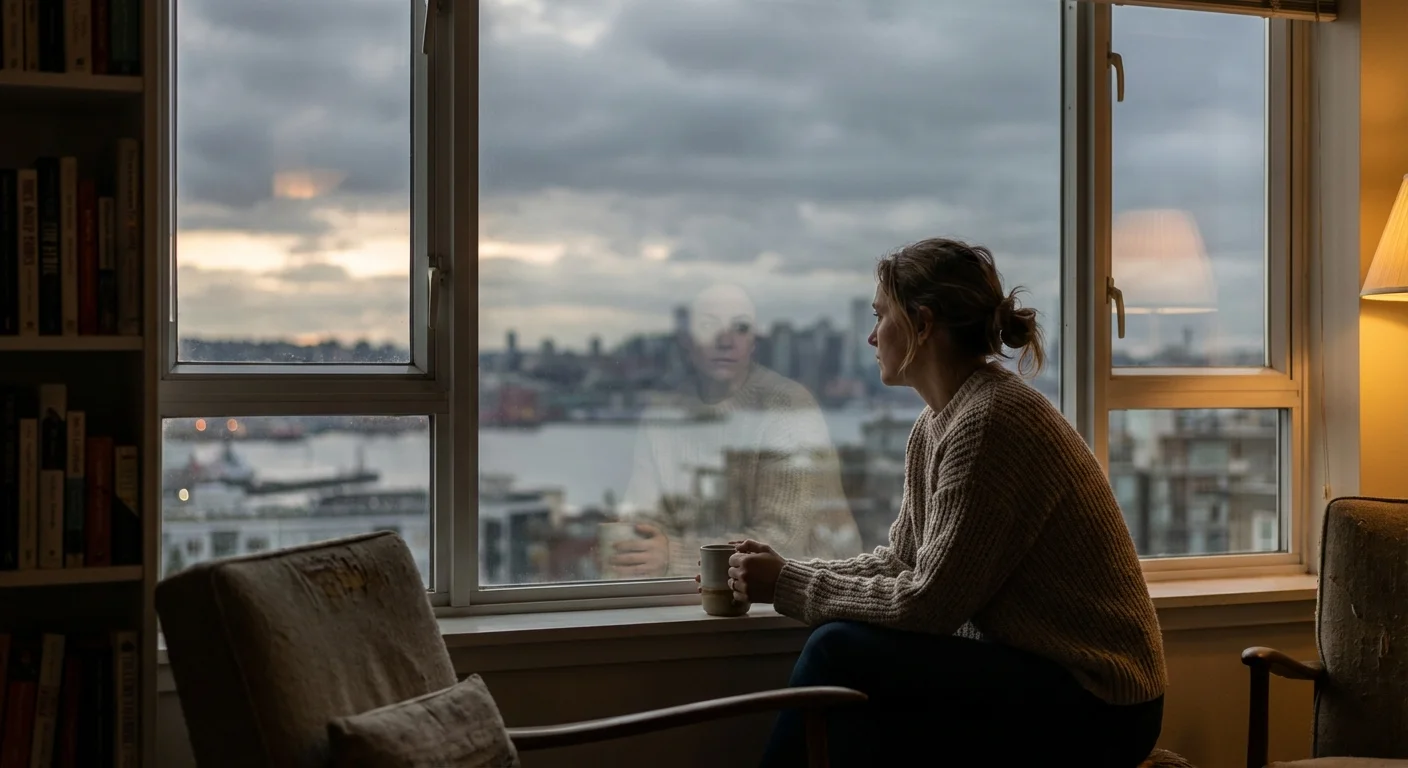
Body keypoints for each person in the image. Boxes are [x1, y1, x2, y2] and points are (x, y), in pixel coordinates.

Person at [722, 239, 1167, 767]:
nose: (870, 336)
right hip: (1037, 672)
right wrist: (787, 569)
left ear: (922, 324)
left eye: (880, 316)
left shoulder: (991, 422)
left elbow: (928, 603)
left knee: (836, 648)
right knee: (854, 676)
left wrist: (789, 585)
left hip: (1100, 700)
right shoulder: (938, 423)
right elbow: (903, 561)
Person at [606, 282, 861, 579]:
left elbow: (784, 541)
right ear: (687, 341)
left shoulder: (789, 407)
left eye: (739, 327)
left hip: (801, 596)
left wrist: (674, 555)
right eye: (708, 325)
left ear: (753, 341)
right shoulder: (665, 415)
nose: (725, 340)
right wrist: (641, 547)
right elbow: (642, 519)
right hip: (700, 589)